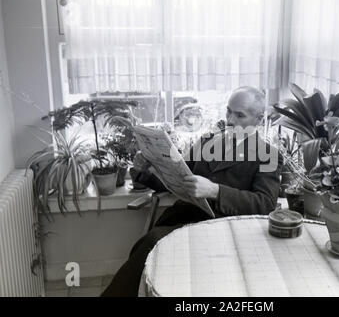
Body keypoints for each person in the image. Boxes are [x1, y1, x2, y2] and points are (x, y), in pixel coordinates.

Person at [101, 86, 282, 297]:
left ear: (258, 119)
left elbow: (265, 203)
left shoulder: (268, 155)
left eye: (239, 115)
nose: (230, 120)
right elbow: (179, 179)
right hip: (186, 219)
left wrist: (215, 191)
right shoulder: (208, 141)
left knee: (153, 244)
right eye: (228, 111)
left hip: (224, 230)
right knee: (148, 246)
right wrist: (148, 169)